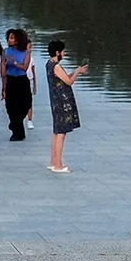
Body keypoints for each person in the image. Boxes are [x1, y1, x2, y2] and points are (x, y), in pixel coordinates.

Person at [45, 40, 86, 173]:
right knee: (61, 133)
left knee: (57, 131)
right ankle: (58, 164)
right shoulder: (55, 66)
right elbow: (69, 81)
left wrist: (75, 71)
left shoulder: (49, 64)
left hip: (56, 100)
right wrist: (77, 73)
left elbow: (63, 79)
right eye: (63, 51)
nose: (64, 53)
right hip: (61, 101)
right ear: (58, 52)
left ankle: (53, 161)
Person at [1, 28, 32, 141]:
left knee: (26, 104)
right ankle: (17, 133)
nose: (10, 40)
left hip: (22, 80)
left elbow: (25, 67)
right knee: (12, 107)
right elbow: (3, 69)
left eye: (12, 38)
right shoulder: (6, 51)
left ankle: (14, 123)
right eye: (9, 37)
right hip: (10, 80)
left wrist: (14, 62)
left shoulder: (25, 52)